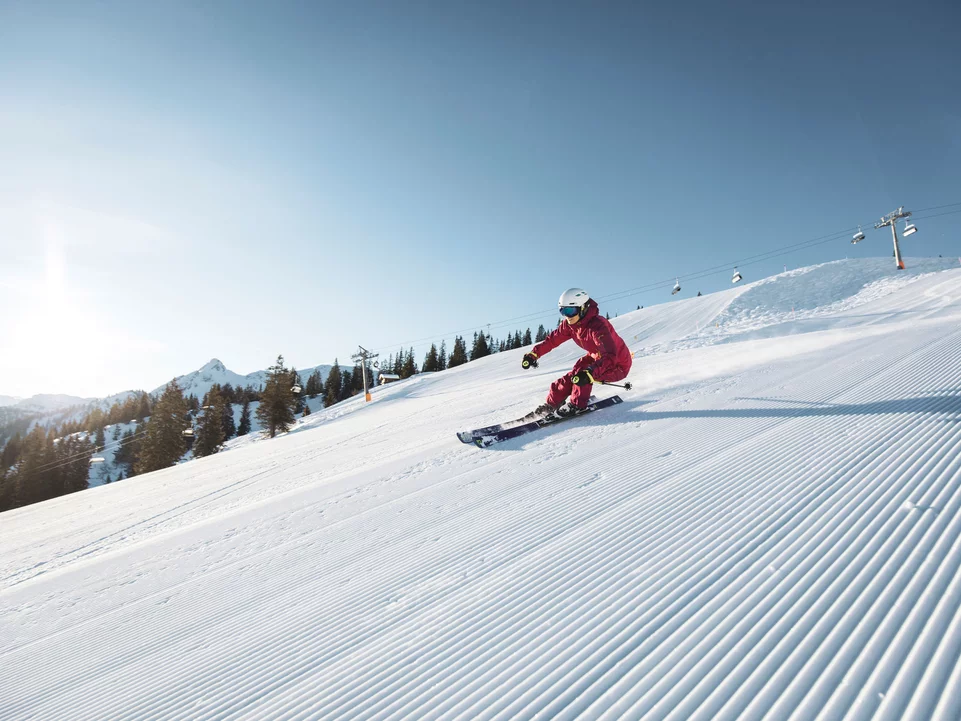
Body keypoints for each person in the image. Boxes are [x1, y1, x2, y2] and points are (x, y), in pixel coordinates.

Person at [522, 288, 632, 418]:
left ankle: (577, 405)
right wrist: (534, 354)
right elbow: (551, 341)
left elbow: (610, 355)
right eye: (563, 311)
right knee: (572, 376)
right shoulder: (570, 325)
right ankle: (551, 405)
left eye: (570, 311)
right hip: (596, 357)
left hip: (617, 364)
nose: (567, 316)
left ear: (583, 308)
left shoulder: (598, 325)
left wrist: (590, 372)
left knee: (582, 372)